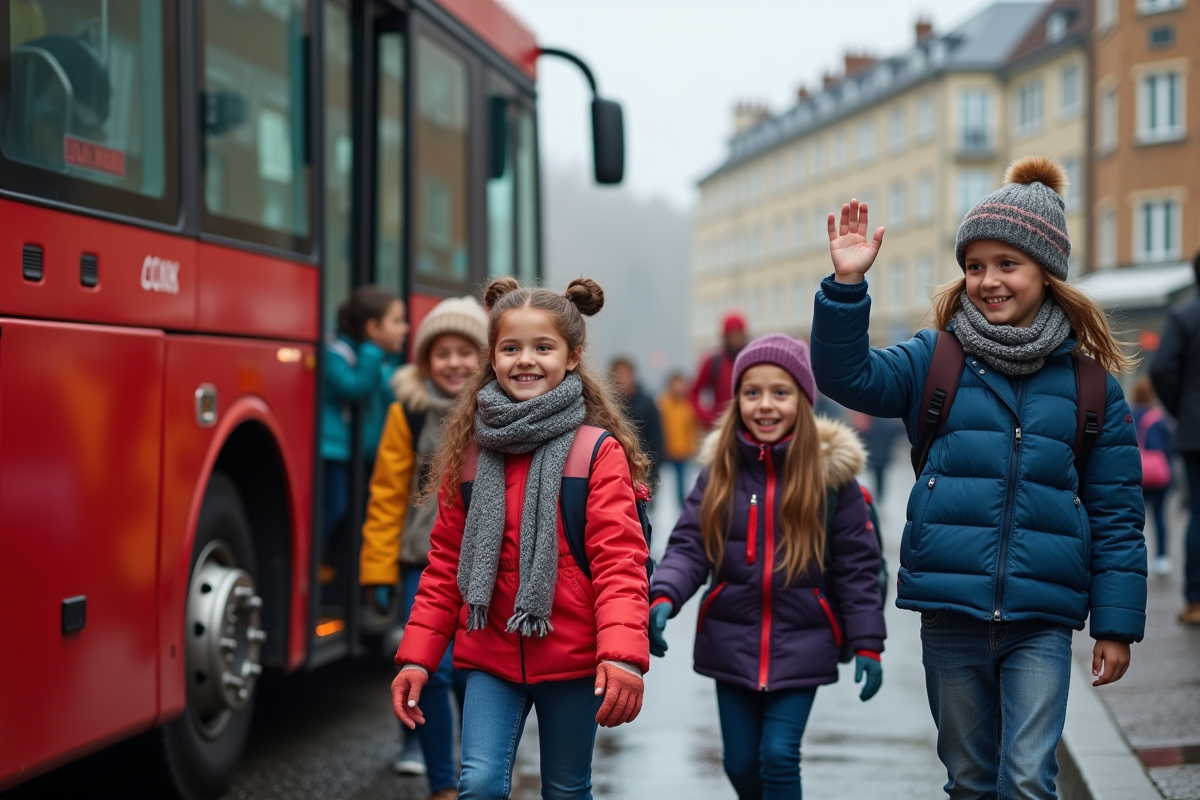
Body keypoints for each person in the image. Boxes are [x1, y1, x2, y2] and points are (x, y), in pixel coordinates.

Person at [810, 156, 1147, 799]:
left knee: (1026, 779)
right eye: (974, 266)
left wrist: (1116, 624)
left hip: (1041, 618)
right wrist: (847, 288)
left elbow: (1115, 514)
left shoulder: (1091, 388)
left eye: (1006, 264)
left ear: (1047, 273)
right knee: (968, 780)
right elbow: (847, 378)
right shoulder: (934, 358)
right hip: (950, 613)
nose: (987, 281)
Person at [390, 277, 652, 799]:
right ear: (491, 356)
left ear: (572, 356)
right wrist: (417, 656)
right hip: (490, 655)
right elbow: (444, 567)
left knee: (564, 788)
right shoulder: (468, 453)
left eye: (542, 347)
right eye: (510, 348)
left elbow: (620, 563)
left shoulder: (596, 452)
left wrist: (621, 654)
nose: (524, 360)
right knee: (480, 785)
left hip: (575, 655)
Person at [648, 333, 886, 800]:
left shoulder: (831, 479)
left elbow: (858, 570)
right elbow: (690, 545)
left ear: (803, 399)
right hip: (730, 640)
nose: (765, 405)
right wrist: (663, 594)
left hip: (804, 639)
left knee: (778, 755)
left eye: (781, 392)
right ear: (737, 400)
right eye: (752, 393)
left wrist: (868, 644)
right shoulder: (720, 471)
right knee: (739, 764)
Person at [360, 296, 487, 794]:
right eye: (442, 353)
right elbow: (387, 494)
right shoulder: (407, 415)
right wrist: (376, 568)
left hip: (485, 566)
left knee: (468, 674)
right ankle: (443, 784)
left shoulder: (498, 411)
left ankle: (474, 768)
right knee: (429, 670)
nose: (454, 363)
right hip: (423, 562)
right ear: (424, 361)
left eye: (466, 351)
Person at [321, 285, 408, 570]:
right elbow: (353, 387)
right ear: (373, 328)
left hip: (361, 455)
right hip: (334, 452)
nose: (405, 328)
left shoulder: (376, 360)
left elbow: (390, 393)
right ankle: (319, 563)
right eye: (396, 321)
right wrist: (373, 353)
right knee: (335, 508)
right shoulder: (337, 352)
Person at [1151, 249, 1200, 624]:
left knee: (1197, 514)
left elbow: (1162, 369)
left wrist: (1180, 410)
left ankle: (1195, 601)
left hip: (1195, 429)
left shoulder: (1184, 316)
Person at [1131, 378, 1174, 579]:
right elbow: (1168, 448)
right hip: (1158, 476)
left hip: (1137, 475)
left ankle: (1135, 556)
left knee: (1136, 517)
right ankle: (1162, 558)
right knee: (1159, 516)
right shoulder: (1158, 418)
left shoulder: (1128, 415)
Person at [610, 356, 664, 487]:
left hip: (642, 468)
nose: (621, 378)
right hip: (614, 469)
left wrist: (653, 472)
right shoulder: (607, 405)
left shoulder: (647, 403)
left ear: (632, 375)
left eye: (625, 373)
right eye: (617, 374)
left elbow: (656, 439)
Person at [690, 311, 749, 429]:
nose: (735, 338)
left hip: (748, 425)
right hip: (721, 427)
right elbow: (692, 394)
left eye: (738, 333)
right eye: (732, 334)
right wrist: (708, 418)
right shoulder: (713, 362)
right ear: (725, 336)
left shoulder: (751, 360)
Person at [658, 371, 700, 509]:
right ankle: (661, 512)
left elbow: (693, 429)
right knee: (663, 486)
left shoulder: (689, 404)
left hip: (683, 452)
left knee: (682, 487)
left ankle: (681, 512)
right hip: (665, 453)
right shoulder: (662, 403)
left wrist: (693, 448)